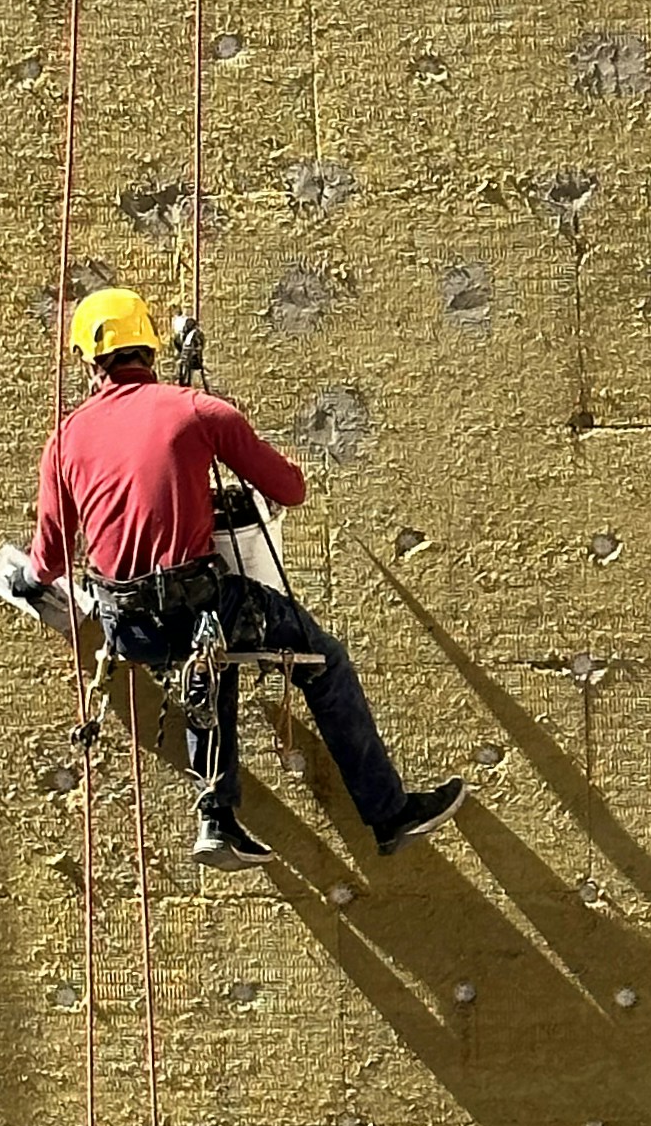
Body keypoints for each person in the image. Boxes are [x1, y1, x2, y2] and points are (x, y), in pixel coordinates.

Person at [27, 287, 462, 868]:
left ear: (89, 362)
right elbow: (291, 490)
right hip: (198, 602)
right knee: (317, 658)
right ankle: (388, 813)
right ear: (150, 352)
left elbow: (47, 562)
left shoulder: (64, 441)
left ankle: (217, 819)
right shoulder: (198, 411)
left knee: (209, 660)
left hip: (129, 627)